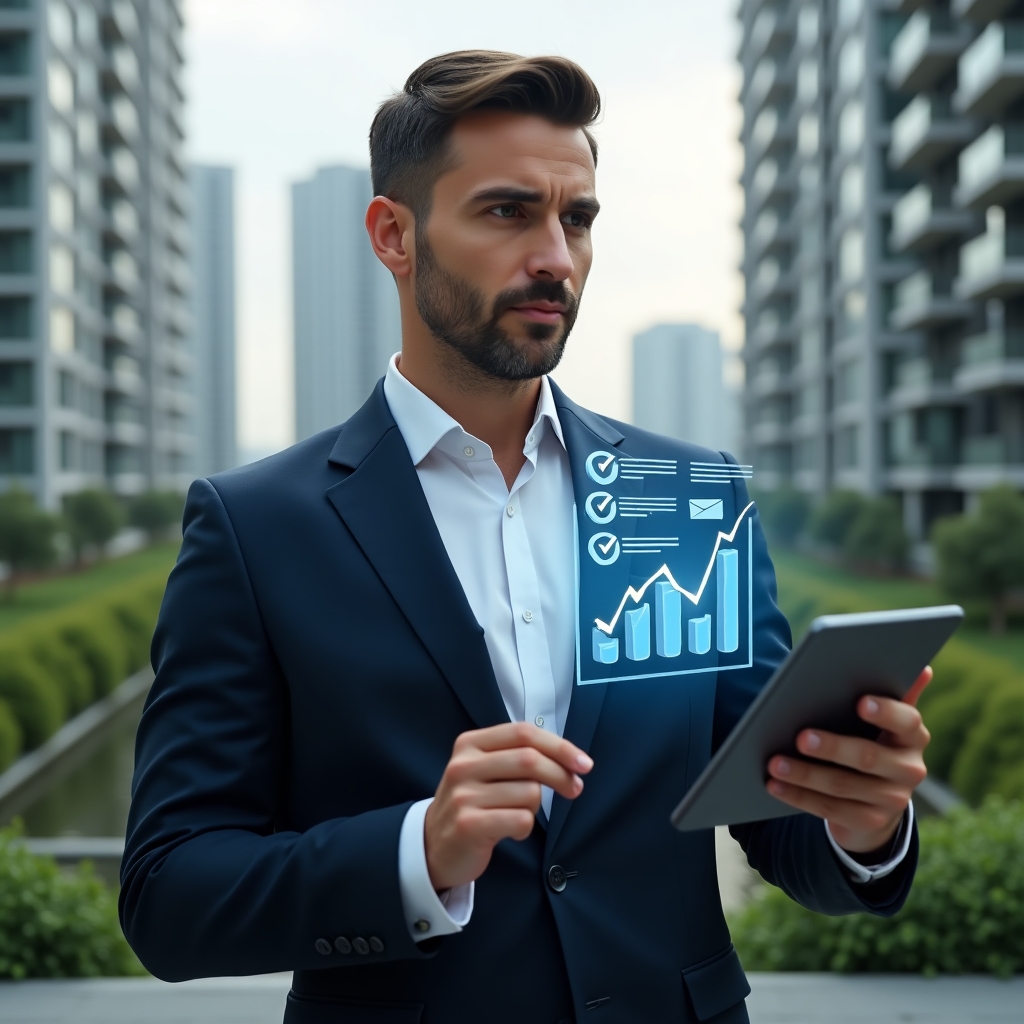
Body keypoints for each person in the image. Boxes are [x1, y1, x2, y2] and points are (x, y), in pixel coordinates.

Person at [120, 51, 931, 1024]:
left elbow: (773, 824)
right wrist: (415, 851)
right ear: (394, 235)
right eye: (507, 211)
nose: (554, 254)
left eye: (576, 217)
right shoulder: (256, 527)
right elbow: (169, 896)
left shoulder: (682, 498)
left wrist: (864, 821)